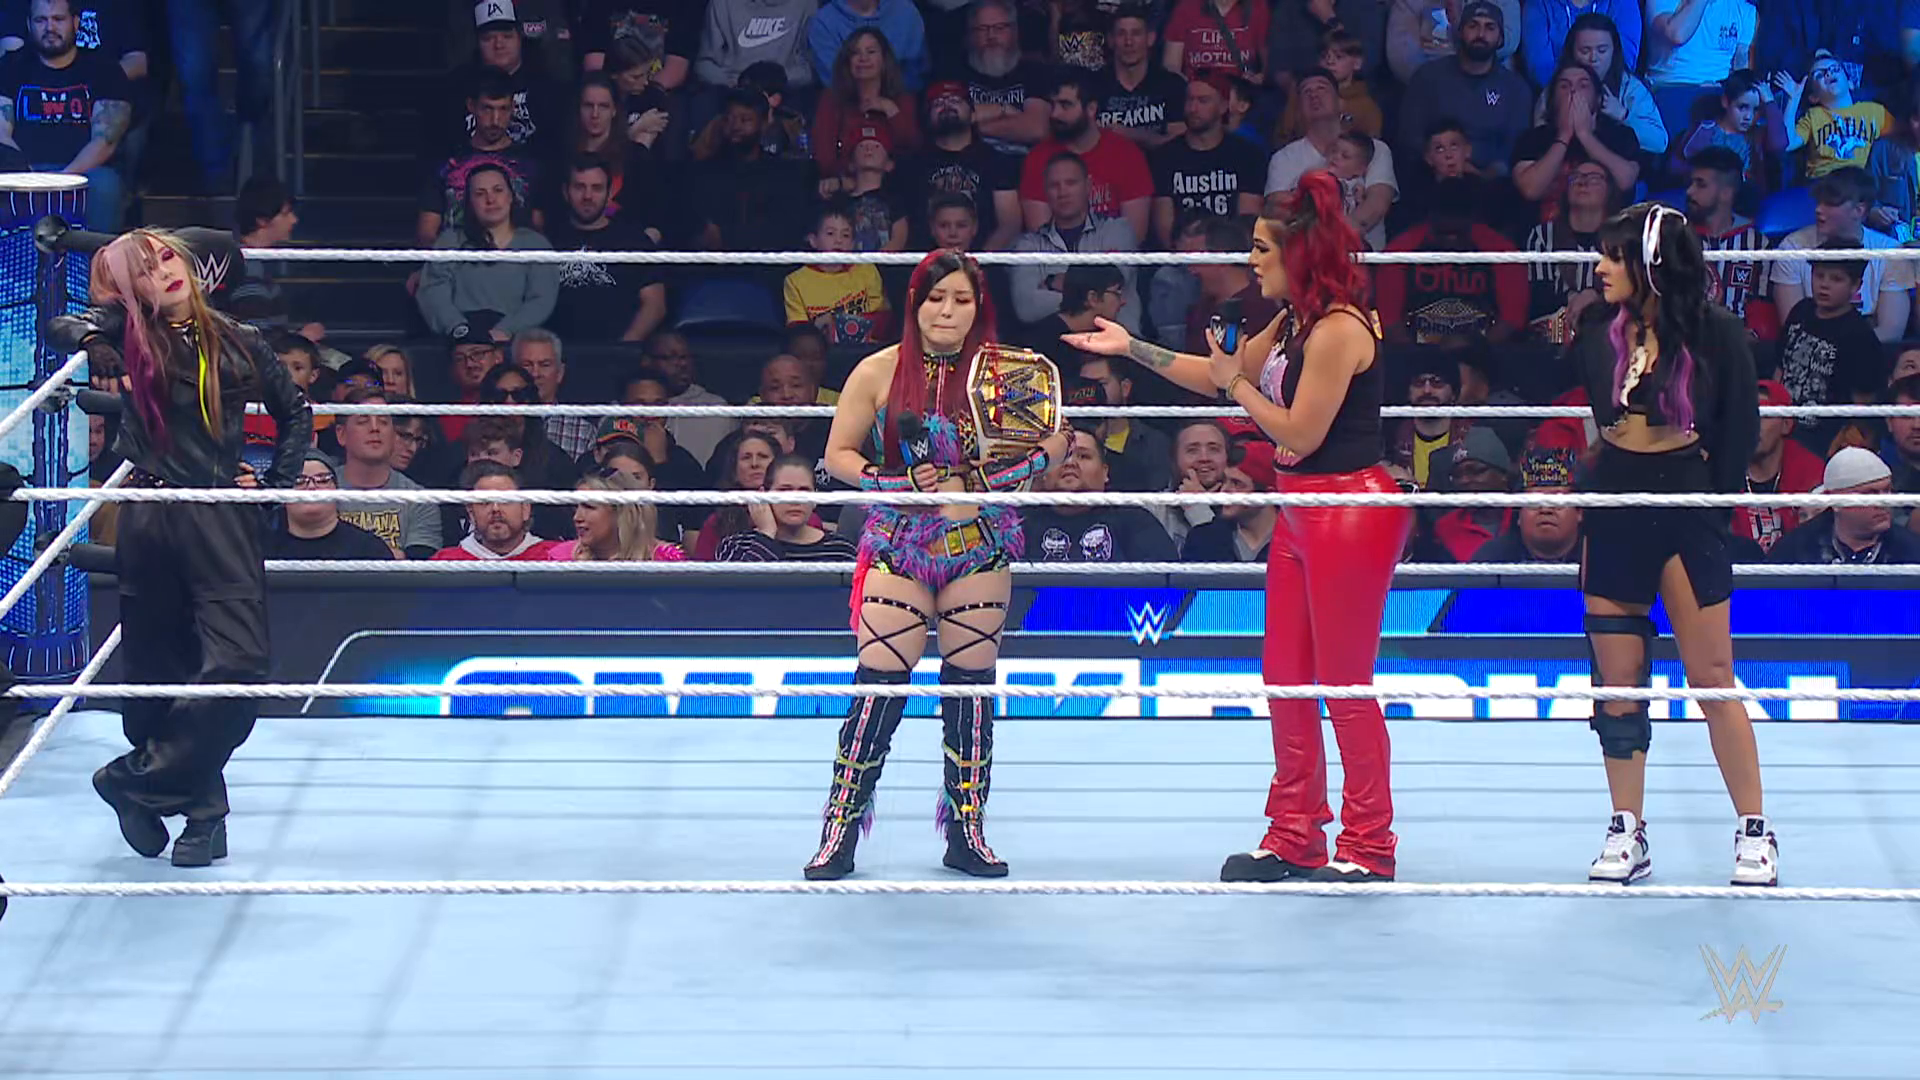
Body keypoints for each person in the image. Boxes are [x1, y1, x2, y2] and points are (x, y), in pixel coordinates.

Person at [1065, 170, 1412, 883]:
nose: (1250, 261)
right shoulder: (1292, 321)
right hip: (1300, 506)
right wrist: (1131, 348)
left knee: (1343, 682)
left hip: (1349, 510)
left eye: (1261, 249)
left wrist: (1236, 386)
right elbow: (1214, 373)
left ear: (1299, 254)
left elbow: (1298, 431)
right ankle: (1295, 833)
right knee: (1285, 676)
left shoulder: (1340, 329)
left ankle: (1369, 844)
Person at [49, 227, 313, 869]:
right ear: (131, 289)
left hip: (218, 512)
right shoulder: (128, 329)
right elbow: (62, 324)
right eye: (144, 269)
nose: (163, 272)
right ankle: (203, 817)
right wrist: (92, 342)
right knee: (158, 669)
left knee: (239, 665)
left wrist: (273, 488)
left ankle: (134, 782)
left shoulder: (240, 338)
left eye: (167, 257)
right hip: (149, 513)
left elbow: (295, 412)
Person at [804, 249, 1069, 881]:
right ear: (916, 302)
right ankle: (840, 830)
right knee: (878, 683)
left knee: (970, 689)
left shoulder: (1008, 373)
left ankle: (966, 830)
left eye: (961, 299)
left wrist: (1030, 462)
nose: (947, 311)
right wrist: (890, 481)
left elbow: (1055, 448)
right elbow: (838, 453)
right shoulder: (880, 369)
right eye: (936, 297)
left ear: (980, 307)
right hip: (900, 539)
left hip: (980, 540)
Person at [1569, 202, 1772, 887]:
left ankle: (1754, 828)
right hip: (1615, 501)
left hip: (1686, 500)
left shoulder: (1717, 334)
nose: (1600, 267)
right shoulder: (1599, 332)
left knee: (1712, 676)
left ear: (1651, 264)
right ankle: (1626, 826)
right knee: (1616, 680)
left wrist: (1705, 502)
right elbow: (1601, 417)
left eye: (1614, 256)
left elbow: (1739, 433)